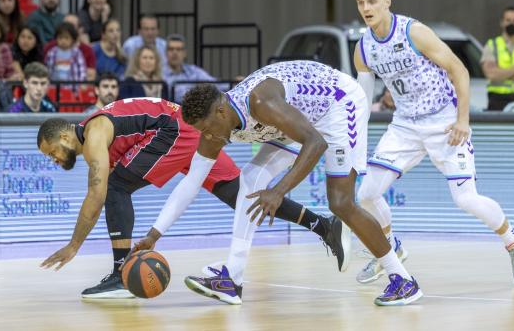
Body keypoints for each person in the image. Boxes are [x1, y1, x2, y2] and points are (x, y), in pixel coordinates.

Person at [37, 98, 347, 299]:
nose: (53, 159)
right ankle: (323, 225)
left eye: (51, 153)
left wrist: (74, 244)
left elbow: (97, 193)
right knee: (238, 194)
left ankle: (120, 273)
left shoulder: (93, 136)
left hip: (171, 132)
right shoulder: (98, 126)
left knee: (116, 186)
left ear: (64, 137)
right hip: (184, 130)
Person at [173, 59, 417, 306]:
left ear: (221, 112)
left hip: (340, 103)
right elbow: (191, 181)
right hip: (302, 114)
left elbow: (316, 143)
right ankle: (231, 281)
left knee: (341, 203)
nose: (207, 136)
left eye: (207, 129)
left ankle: (403, 280)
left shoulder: (261, 102)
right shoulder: (218, 123)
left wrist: (278, 191)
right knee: (249, 178)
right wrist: (153, 235)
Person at [352, 0, 514, 287]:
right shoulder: (364, 48)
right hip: (405, 125)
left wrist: (463, 120)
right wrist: (350, 134)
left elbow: (459, 70)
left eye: (371, 1)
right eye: (360, 2)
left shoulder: (414, 32)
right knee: (366, 194)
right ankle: (390, 248)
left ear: (387, 1)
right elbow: (362, 100)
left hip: (443, 120)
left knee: (466, 199)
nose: (366, 8)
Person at [163, 34, 216, 103]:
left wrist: (234, 84)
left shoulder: (193, 71)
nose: (174, 52)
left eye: (179, 49)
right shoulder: (159, 73)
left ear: (184, 53)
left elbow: (216, 84)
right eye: (171, 49)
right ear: (166, 53)